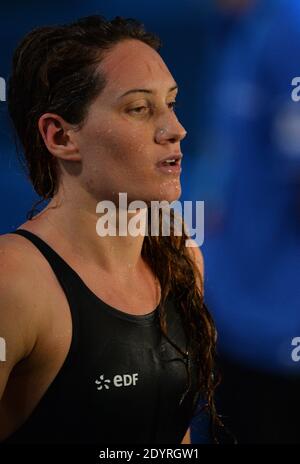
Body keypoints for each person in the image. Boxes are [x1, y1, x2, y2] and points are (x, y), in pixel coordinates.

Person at [0, 15, 219, 444]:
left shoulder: (179, 257)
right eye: (139, 108)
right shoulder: (15, 282)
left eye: (171, 103)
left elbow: (173, 437)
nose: (176, 130)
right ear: (61, 136)